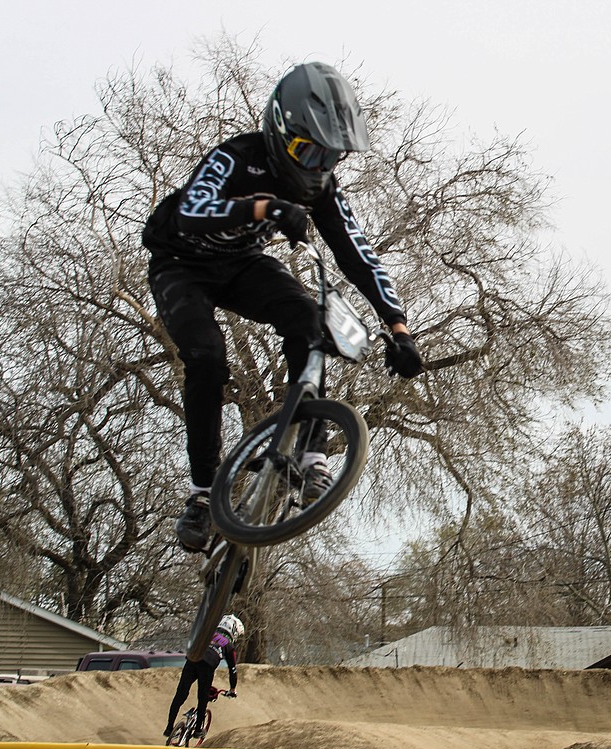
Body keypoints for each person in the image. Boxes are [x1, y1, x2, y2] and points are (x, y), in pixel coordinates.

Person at [142, 61, 424, 552]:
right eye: (307, 151)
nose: (316, 167)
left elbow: (359, 256)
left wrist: (399, 327)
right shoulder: (236, 158)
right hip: (182, 266)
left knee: (312, 320)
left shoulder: (323, 188)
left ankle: (311, 453)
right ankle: (203, 493)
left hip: (242, 265)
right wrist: (263, 207)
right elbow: (191, 213)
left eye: (330, 158)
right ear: (279, 130)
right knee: (207, 356)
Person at [165, 613, 243, 740]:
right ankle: (197, 731)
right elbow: (233, 670)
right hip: (207, 666)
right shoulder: (228, 644)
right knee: (202, 698)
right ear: (234, 631)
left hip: (192, 659)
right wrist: (233, 689)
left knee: (180, 694)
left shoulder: (206, 633)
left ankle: (169, 728)